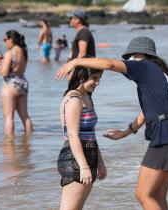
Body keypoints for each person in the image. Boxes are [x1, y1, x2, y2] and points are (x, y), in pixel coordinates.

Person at [57, 36, 168, 210]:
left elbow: (110, 64)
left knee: (143, 195)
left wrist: (75, 62)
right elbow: (149, 112)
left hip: (165, 135)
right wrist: (126, 132)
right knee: (157, 195)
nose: (128, 62)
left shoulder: (144, 66)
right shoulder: (161, 74)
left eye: (130, 58)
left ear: (140, 54)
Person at [57, 65, 107, 210]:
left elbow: (90, 134)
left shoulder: (86, 97)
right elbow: (72, 135)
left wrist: (100, 162)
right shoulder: (74, 100)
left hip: (88, 155)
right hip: (75, 159)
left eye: (99, 79)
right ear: (81, 76)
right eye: (94, 78)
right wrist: (84, 167)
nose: (97, 82)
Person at [0, 30, 33, 136]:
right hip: (23, 83)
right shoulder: (23, 51)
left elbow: (4, 72)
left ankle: (9, 143)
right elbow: (17, 67)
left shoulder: (10, 53)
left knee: (8, 117)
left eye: (5, 39)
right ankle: (29, 140)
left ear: (11, 39)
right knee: (25, 116)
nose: (5, 42)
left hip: (10, 85)